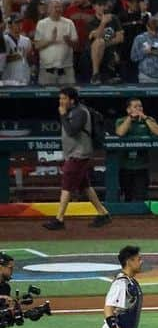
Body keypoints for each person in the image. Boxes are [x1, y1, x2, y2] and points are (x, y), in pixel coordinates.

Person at [43, 88, 111, 231]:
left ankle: (59, 219)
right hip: (74, 153)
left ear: (72, 100)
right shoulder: (73, 111)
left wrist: (62, 116)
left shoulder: (80, 111)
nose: (61, 102)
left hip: (79, 155)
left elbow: (72, 131)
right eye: (60, 98)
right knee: (85, 186)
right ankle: (103, 213)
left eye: (64, 98)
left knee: (66, 186)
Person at [114, 98, 158, 202]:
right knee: (127, 195)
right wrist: (130, 118)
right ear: (128, 109)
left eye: (140, 106)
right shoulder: (121, 120)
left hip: (142, 165)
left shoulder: (149, 120)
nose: (139, 109)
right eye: (135, 106)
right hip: (125, 165)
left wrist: (145, 119)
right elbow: (120, 133)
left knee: (141, 195)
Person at [34, 0, 78, 84]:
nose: (58, 9)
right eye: (55, 7)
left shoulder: (69, 23)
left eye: (60, 7)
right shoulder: (41, 24)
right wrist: (50, 40)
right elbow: (36, 45)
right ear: (48, 9)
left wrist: (68, 41)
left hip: (66, 69)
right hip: (47, 70)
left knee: (68, 95)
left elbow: (76, 45)